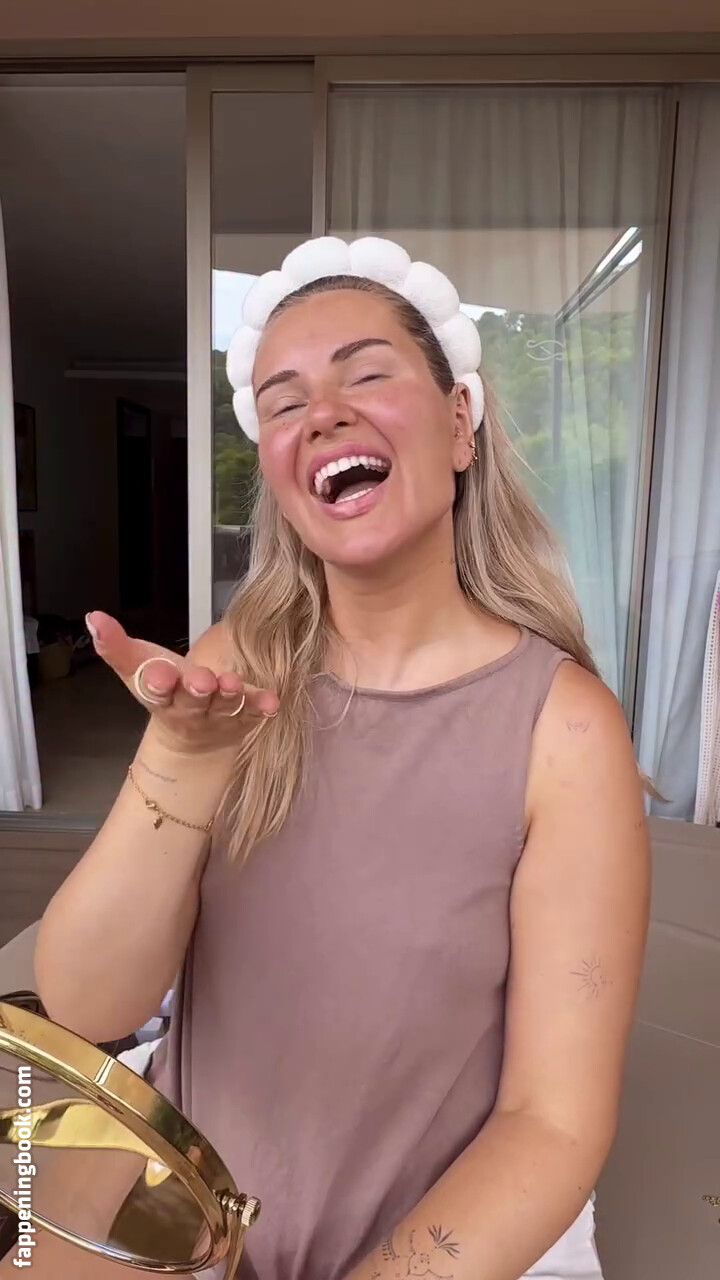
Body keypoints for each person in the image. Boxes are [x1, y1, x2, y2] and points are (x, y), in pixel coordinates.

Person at [33, 236, 650, 1280]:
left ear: (460, 422)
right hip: (181, 1206)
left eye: (366, 375)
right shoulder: (233, 667)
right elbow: (86, 1005)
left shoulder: (566, 731)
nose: (322, 414)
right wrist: (182, 764)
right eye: (284, 402)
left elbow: (553, 1121)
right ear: (279, 473)